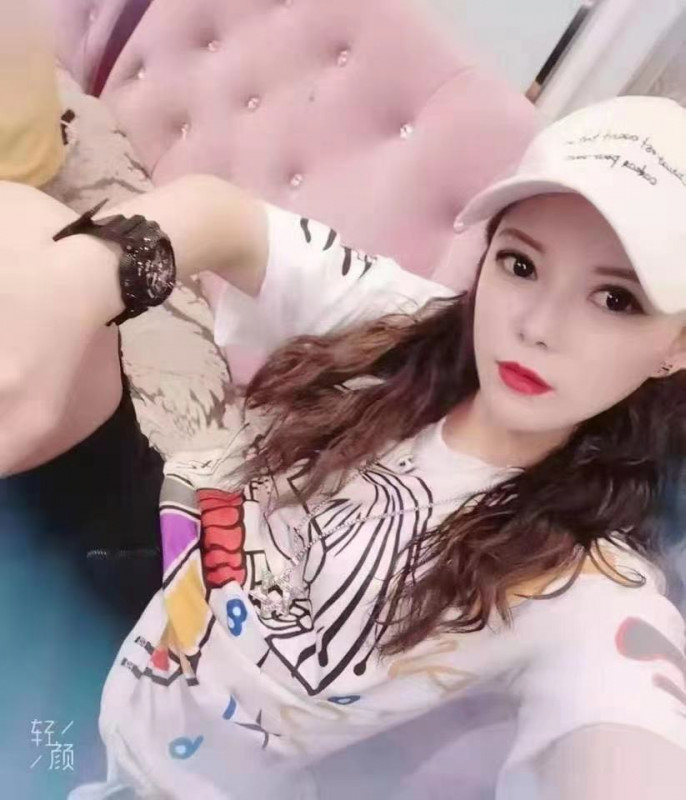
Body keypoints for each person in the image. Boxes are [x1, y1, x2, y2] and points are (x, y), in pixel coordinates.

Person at [2, 95, 685, 799]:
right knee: (19, 221)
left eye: (616, 300)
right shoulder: (407, 328)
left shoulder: (589, 585)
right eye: (521, 264)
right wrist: (82, 285)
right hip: (148, 568)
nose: (537, 326)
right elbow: (224, 217)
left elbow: (624, 734)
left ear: (676, 345)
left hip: (164, 772)